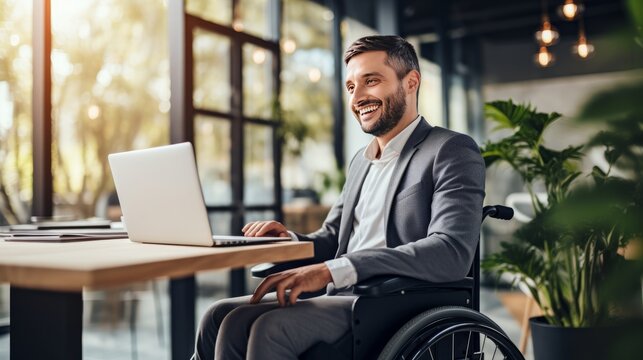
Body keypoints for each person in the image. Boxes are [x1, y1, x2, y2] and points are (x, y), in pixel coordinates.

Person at [193, 35, 485, 360]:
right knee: (219, 317)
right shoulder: (361, 160)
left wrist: (335, 270)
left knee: (269, 329)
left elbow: (450, 251)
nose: (357, 97)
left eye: (370, 81)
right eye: (350, 87)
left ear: (411, 82)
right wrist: (289, 239)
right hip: (341, 294)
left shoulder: (450, 150)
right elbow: (332, 238)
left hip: (389, 303)